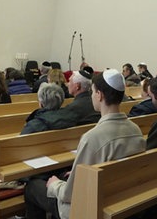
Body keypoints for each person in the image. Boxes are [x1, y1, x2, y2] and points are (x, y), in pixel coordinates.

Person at [24, 69, 146, 219]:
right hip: (119, 195)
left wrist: (55, 185)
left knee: (33, 187)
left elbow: (70, 194)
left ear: (99, 95)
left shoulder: (92, 137)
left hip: (87, 207)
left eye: (93, 92)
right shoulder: (135, 129)